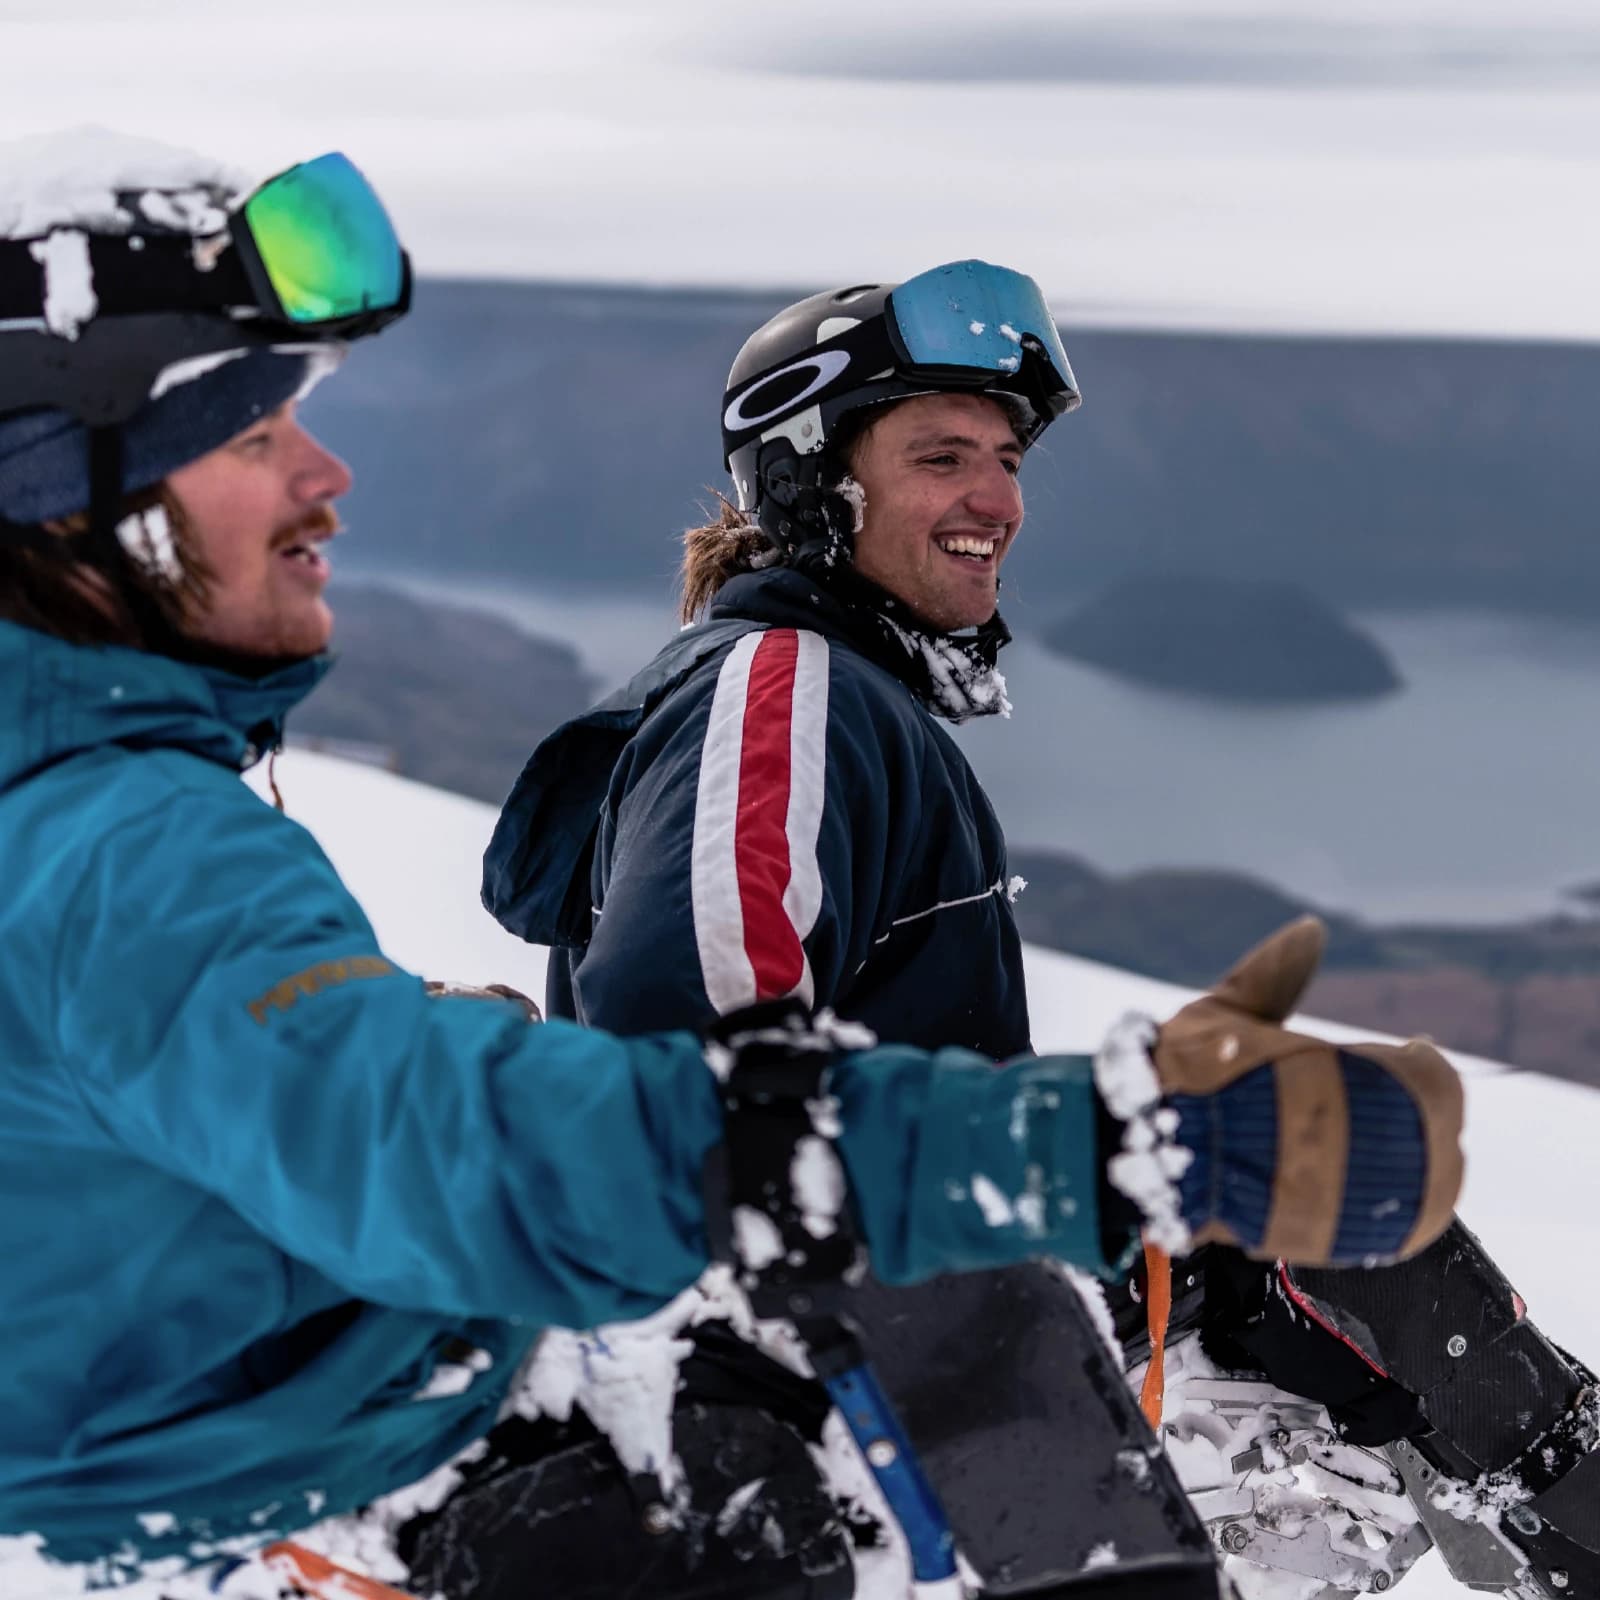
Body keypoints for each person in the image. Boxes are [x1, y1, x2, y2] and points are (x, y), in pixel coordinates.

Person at [0, 144, 1465, 1600]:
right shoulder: (124, 842)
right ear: (73, 487)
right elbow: (536, 1113)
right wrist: (1085, 1145)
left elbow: (285, 1088)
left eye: (1005, 458)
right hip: (395, 1456)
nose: (330, 474)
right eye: (256, 434)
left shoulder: (95, 812)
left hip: (413, 1390)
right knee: (953, 1375)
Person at [484, 265, 1600, 1600]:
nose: (998, 502)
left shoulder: (831, 692)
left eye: (1005, 461)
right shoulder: (780, 689)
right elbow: (694, 1064)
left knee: (1325, 1183)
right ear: (804, 483)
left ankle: (1494, 1488)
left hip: (942, 1280)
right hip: (900, 1343)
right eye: (941, 457)